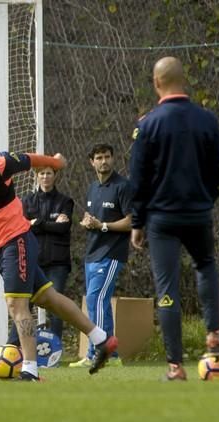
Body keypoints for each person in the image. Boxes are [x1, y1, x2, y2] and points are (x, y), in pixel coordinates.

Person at [0, 136, 117, 380]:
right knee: (48, 298)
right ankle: (102, 339)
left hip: (16, 240)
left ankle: (30, 369)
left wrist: (55, 162)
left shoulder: (2, 164)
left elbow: (30, 159)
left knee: (16, 304)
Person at [129, 56, 219, 380]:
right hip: (198, 212)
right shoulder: (207, 120)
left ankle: (175, 366)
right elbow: (217, 170)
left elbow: (138, 179)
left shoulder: (148, 124)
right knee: (206, 265)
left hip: (161, 219)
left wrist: (138, 222)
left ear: (157, 83)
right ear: (184, 81)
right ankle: (214, 332)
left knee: (166, 286)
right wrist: (206, 199)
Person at [69, 144, 131, 369]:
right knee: (94, 304)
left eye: (107, 156)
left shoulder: (123, 186)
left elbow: (131, 221)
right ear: (91, 162)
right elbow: (93, 219)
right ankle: (100, 354)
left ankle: (102, 353)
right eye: (99, 158)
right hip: (92, 252)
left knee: (99, 299)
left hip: (112, 253)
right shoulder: (93, 187)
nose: (104, 161)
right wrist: (88, 222)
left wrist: (103, 225)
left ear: (113, 159)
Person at [7, 165, 74, 345]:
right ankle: (14, 345)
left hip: (57, 262)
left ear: (55, 176)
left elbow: (63, 227)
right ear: (36, 176)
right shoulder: (27, 201)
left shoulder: (65, 201)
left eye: (49, 173)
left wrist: (39, 223)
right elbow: (21, 226)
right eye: (42, 173)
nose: (45, 177)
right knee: (23, 304)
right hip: (32, 261)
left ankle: (55, 347)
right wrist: (49, 224)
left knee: (56, 305)